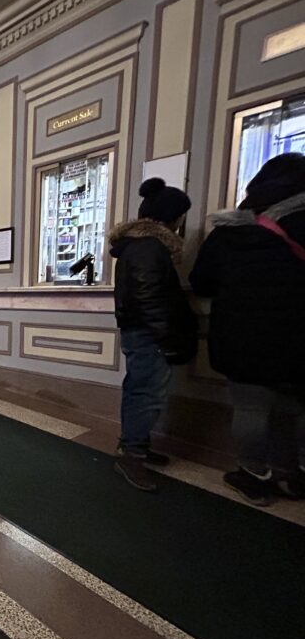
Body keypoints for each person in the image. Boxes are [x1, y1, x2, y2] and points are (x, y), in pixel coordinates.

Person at [190, 152, 305, 506]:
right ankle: (293, 475)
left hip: (242, 335)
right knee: (296, 409)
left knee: (251, 409)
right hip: (298, 335)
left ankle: (253, 476)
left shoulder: (230, 232)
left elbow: (201, 281)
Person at [108, 178, 197, 492]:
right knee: (146, 395)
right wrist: (166, 337)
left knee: (139, 390)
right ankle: (132, 456)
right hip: (149, 333)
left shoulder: (137, 245)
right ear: (172, 217)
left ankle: (135, 446)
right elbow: (149, 297)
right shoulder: (149, 247)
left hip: (141, 331)